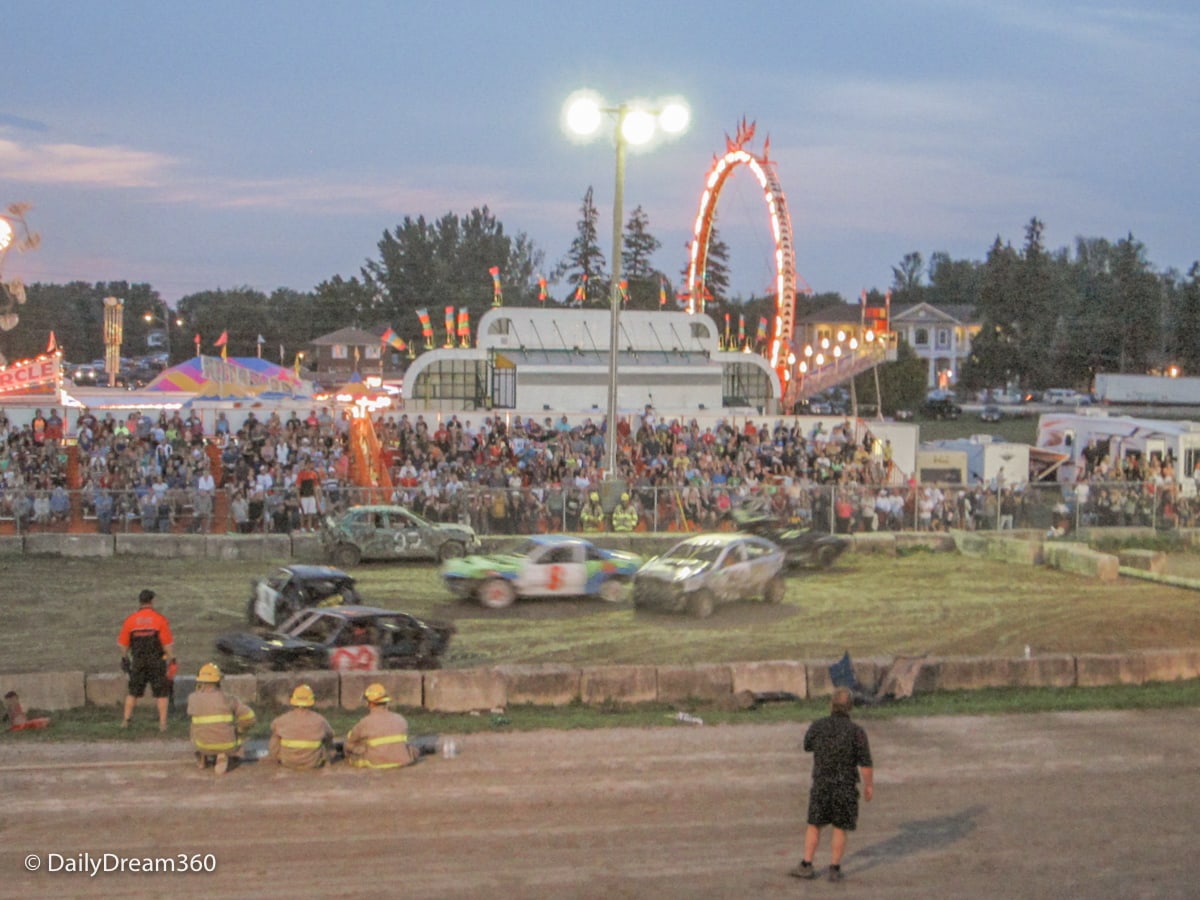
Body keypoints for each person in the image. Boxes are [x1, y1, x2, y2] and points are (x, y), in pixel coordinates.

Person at [790, 687, 874, 882]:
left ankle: (806, 864)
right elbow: (866, 763)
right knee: (840, 828)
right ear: (850, 707)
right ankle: (834, 868)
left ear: (831, 705)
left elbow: (807, 745)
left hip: (822, 783)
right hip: (845, 785)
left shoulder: (818, 726)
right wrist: (869, 785)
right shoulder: (857, 732)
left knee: (814, 826)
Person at [117, 588, 175, 731]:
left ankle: (125, 721)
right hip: (157, 661)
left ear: (140, 601)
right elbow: (167, 643)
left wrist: (125, 658)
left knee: (133, 692)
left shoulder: (130, 620)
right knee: (161, 693)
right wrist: (172, 659)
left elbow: (122, 644)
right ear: (152, 601)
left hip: (138, 662)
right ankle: (162, 724)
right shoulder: (160, 620)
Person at [187, 662, 256, 774]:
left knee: (194, 724)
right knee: (230, 730)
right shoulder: (228, 698)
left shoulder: (192, 698)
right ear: (218, 681)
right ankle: (222, 755)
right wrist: (240, 729)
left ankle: (203, 755)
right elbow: (250, 717)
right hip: (227, 745)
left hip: (201, 744)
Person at [343, 683, 419, 769]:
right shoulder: (400, 719)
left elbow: (350, 742)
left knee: (351, 748)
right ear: (386, 702)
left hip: (376, 762)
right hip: (403, 761)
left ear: (370, 704)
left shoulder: (365, 722)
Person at [268, 684, 334, 770]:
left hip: (287, 761)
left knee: (275, 735)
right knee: (326, 737)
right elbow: (330, 734)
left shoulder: (281, 720)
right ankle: (326, 759)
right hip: (312, 762)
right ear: (311, 701)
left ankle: (277, 757)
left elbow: (272, 728)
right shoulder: (320, 720)